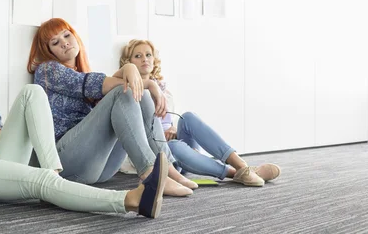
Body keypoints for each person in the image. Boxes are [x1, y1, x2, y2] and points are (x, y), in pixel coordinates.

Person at [0, 30, 169, 218]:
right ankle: (129, 200)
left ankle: (52, 170)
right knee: (39, 181)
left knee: (33, 92)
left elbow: (2, 132)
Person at [28, 18, 197, 197]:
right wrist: (137, 74)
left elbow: (104, 90)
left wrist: (132, 73)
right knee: (125, 91)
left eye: (67, 35)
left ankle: (168, 168)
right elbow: (94, 85)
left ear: (75, 36)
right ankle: (150, 174)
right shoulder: (48, 70)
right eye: (55, 42)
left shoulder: (79, 70)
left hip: (100, 169)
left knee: (140, 94)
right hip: (65, 162)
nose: (64, 43)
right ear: (49, 51)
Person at [119, 39, 281, 186]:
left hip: (175, 145)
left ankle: (241, 165)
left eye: (148, 55)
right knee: (174, 146)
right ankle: (234, 173)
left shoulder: (164, 92)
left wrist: (174, 129)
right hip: (159, 154)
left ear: (154, 60)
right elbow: (135, 131)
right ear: (130, 62)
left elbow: (167, 121)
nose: (144, 59)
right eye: (138, 56)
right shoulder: (128, 92)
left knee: (188, 117)